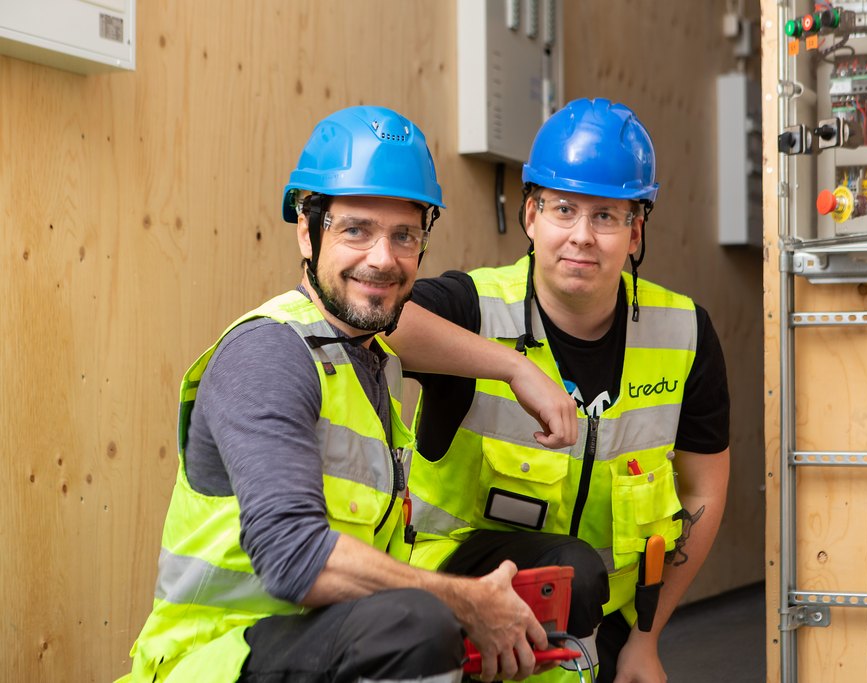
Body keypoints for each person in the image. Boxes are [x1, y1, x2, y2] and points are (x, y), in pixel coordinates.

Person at [123, 105, 580, 683]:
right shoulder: (269, 355)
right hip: (213, 660)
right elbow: (294, 560)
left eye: (404, 235)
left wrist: (516, 369)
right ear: (306, 229)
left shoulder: (371, 357)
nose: (382, 258)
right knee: (416, 622)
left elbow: (410, 328)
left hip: (318, 640)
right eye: (355, 229)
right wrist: (464, 603)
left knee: (558, 575)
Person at [393, 98, 731, 682]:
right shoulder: (474, 307)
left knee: (582, 585)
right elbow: (383, 319)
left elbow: (704, 491)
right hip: (457, 611)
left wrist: (646, 641)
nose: (582, 236)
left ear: (635, 231)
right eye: (563, 209)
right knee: (573, 569)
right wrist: (514, 368)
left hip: (603, 625)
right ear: (530, 216)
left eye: (606, 216)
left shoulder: (684, 333)